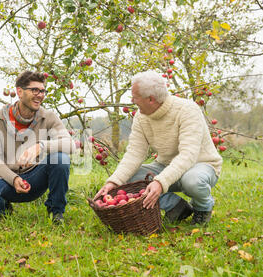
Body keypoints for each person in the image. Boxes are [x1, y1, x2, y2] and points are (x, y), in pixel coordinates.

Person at [95, 70, 223, 225]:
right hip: (165, 166)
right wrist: (114, 182)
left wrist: (160, 182)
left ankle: (203, 208)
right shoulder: (141, 117)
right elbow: (134, 154)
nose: (132, 99)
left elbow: (188, 155)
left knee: (192, 181)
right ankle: (177, 207)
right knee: (127, 179)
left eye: (135, 96)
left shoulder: (187, 110)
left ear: (150, 99)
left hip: (200, 165)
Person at [0, 71, 75, 224]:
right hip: (5, 179)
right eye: (35, 90)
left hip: (36, 178)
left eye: (42, 91)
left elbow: (71, 145)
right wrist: (13, 179)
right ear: (20, 92)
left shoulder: (48, 117)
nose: (40, 95)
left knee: (60, 158)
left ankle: (56, 212)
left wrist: (41, 146)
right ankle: (5, 211)